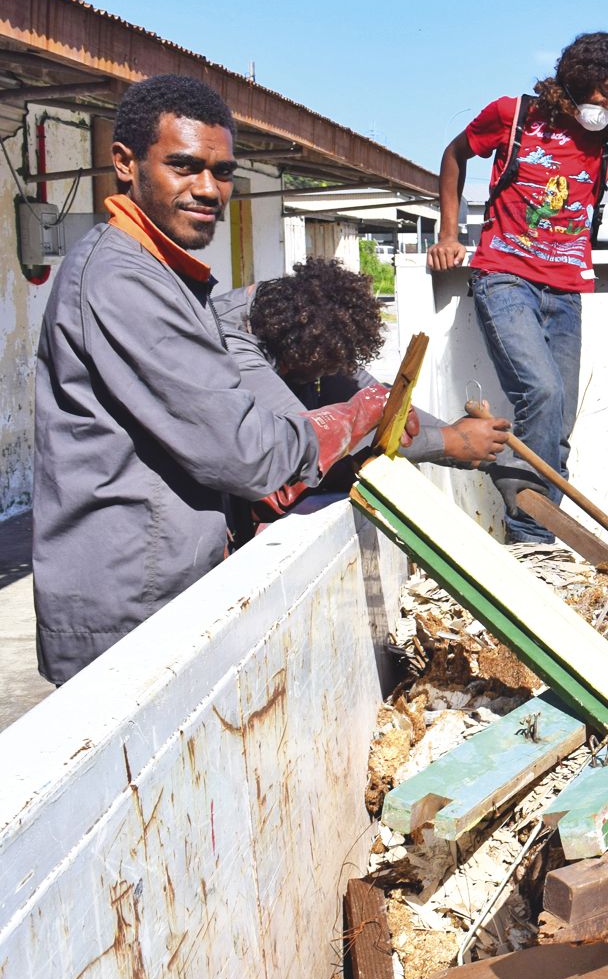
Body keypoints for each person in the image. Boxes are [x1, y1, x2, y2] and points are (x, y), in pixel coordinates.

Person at [33, 76, 393, 683]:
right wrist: (358, 416)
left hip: (156, 587)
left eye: (222, 172)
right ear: (125, 164)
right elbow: (249, 454)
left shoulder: (164, 273)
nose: (208, 189)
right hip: (130, 609)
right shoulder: (124, 281)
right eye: (184, 166)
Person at [425, 32, 608, 542]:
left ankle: (542, 538)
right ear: (576, 81)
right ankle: (530, 538)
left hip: (567, 287)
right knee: (542, 392)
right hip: (504, 276)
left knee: (559, 422)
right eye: (605, 95)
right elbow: (454, 154)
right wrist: (448, 233)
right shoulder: (512, 116)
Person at [213, 257, 511, 503]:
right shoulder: (233, 346)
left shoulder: (305, 319)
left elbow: (375, 397)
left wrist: (470, 442)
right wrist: (448, 442)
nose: (325, 375)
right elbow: (310, 439)